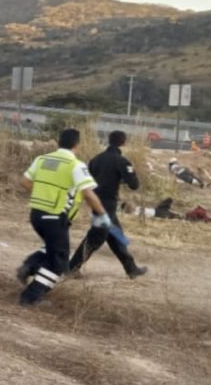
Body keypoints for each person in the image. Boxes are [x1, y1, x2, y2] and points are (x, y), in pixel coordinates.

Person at [15, 128, 110, 306]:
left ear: (59, 142)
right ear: (77, 145)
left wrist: (43, 194)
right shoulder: (76, 165)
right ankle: (31, 297)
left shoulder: (42, 159)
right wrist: (103, 215)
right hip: (54, 216)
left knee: (53, 246)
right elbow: (89, 195)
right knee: (60, 262)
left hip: (36, 214)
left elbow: (25, 181)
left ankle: (30, 265)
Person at [68, 131, 148, 279]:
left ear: (108, 141)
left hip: (95, 202)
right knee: (96, 237)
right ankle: (71, 267)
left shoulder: (95, 159)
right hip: (108, 205)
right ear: (123, 142)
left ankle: (131, 269)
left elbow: (88, 181)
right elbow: (134, 185)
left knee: (116, 236)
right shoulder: (122, 161)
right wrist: (129, 175)